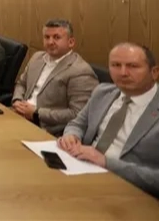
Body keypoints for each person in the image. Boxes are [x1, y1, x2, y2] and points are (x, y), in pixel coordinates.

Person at [58, 43, 159, 198]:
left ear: (154, 72)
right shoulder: (103, 92)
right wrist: (71, 136)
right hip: (80, 171)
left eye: (133, 66)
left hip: (130, 191)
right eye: (116, 65)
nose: (123, 73)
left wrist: (106, 162)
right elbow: (77, 124)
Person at [12, 19, 98, 136]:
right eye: (47, 37)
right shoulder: (37, 57)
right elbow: (21, 83)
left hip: (47, 129)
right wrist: (17, 100)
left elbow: (78, 114)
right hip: (19, 115)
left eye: (56, 37)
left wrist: (36, 113)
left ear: (71, 42)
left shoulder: (80, 71)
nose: (50, 42)